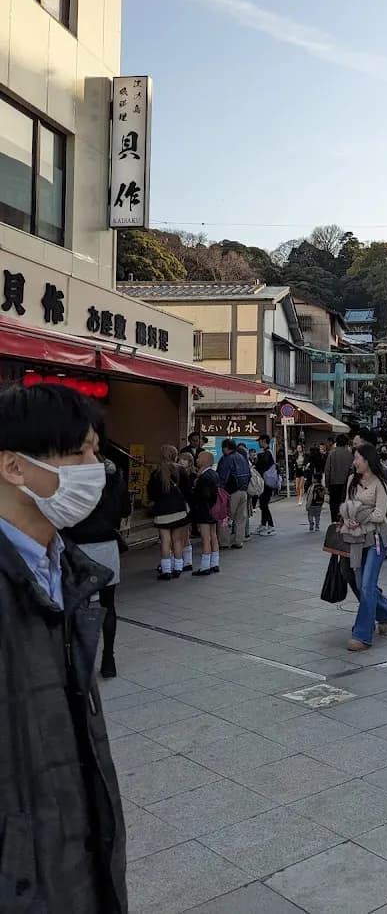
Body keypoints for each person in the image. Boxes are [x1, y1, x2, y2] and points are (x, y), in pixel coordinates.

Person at [0, 384, 127, 912]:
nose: (95, 470)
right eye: (79, 454)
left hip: (78, 850)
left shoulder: (68, 571)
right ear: (14, 466)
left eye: (96, 452)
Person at [63, 449, 131, 678]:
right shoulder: (114, 480)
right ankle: (109, 658)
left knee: (76, 605)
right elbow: (125, 510)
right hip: (107, 544)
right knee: (108, 604)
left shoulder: (71, 480)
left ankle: (79, 660)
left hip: (76, 548)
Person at [340, 443, 387, 651]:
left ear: (367, 460)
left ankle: (362, 634)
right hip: (355, 539)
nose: (354, 462)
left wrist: (359, 516)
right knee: (360, 583)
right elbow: (347, 506)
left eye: (357, 458)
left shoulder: (380, 483)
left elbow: (380, 515)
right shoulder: (352, 481)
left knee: (367, 585)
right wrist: (348, 518)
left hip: (376, 539)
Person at [148, 445, 192, 579]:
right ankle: (178, 567)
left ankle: (166, 570)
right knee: (177, 540)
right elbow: (187, 491)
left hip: (162, 511)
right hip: (179, 510)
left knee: (165, 541)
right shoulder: (181, 470)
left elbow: (152, 494)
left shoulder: (156, 473)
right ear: (175, 456)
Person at [190, 450, 222, 575]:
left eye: (198, 458)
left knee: (205, 538)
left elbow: (203, 495)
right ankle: (215, 563)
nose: (196, 459)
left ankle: (205, 566)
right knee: (213, 536)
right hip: (214, 510)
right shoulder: (214, 474)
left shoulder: (204, 477)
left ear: (204, 461)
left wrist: (195, 490)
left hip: (204, 510)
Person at [217, 438, 251, 548]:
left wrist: (219, 489)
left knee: (224, 517)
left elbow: (222, 476)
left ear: (226, 448)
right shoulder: (242, 457)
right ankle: (238, 541)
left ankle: (224, 542)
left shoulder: (226, 459)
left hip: (230, 492)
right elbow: (249, 474)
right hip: (243, 491)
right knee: (240, 518)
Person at [325, 433, 352, 523]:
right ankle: (344, 522)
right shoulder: (350, 454)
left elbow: (327, 470)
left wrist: (327, 484)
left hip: (334, 483)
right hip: (347, 483)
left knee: (334, 505)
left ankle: (334, 522)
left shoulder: (332, 453)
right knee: (345, 503)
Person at [255, 434, 277, 536]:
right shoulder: (266, 452)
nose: (258, 443)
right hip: (266, 482)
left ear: (264, 441)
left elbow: (263, 466)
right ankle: (263, 525)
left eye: (259, 441)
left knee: (264, 504)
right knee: (263, 504)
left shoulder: (267, 453)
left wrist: (257, 460)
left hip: (267, 483)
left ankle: (271, 526)